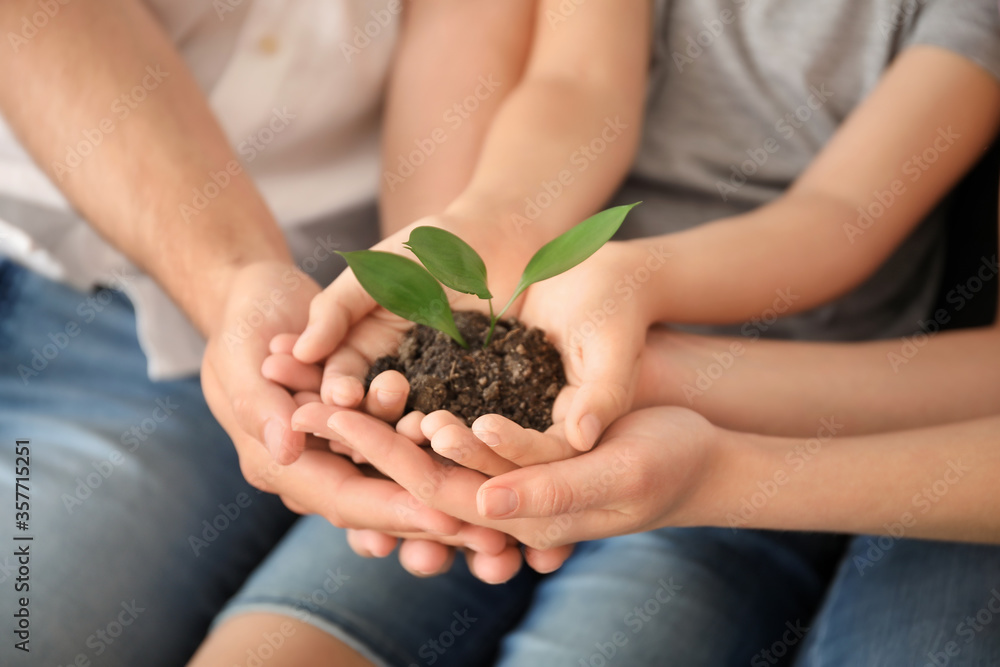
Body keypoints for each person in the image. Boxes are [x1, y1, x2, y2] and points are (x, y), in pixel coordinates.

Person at [188, 1, 1000, 665]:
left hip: (752, 416)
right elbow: (577, 86)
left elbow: (842, 216)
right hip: (545, 338)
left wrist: (639, 280)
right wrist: (491, 221)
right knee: (280, 640)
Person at [0, 0, 648, 665]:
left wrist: (449, 255)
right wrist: (230, 280)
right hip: (129, 245)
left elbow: (472, 36)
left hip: (233, 315)